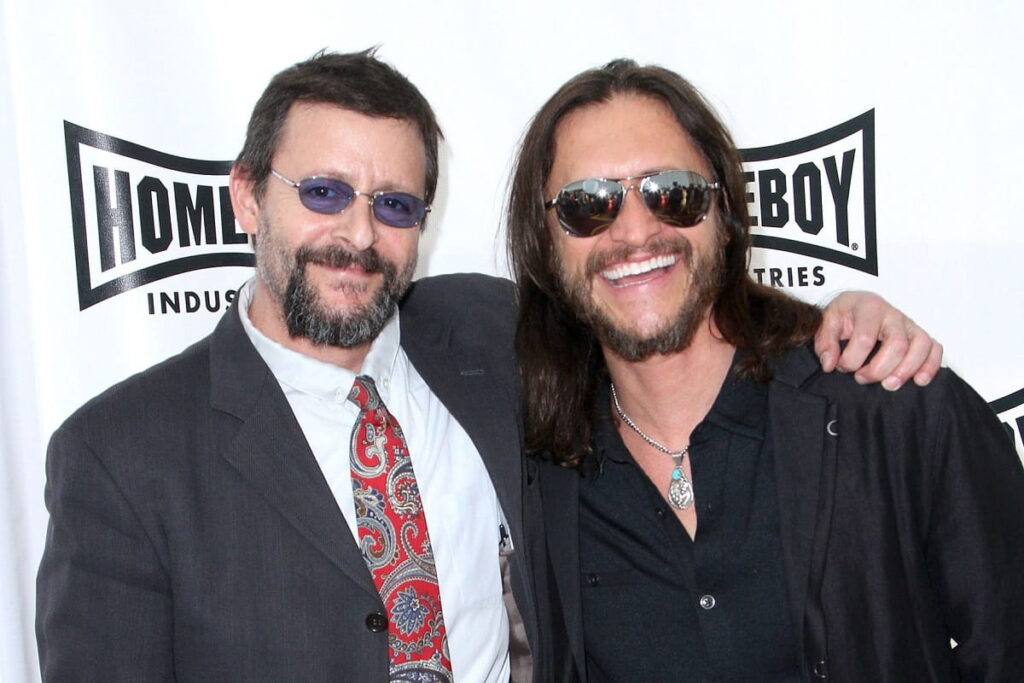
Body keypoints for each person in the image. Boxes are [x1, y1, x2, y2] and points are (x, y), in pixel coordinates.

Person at [37, 50, 939, 682]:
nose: (358, 233)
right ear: (245, 195)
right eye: (323, 193)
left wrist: (830, 320)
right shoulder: (122, 455)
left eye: (394, 203)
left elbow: (655, 302)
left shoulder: (489, 337)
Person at [507, 58, 1024, 682]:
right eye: (589, 205)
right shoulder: (537, 481)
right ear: (545, 238)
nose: (636, 230)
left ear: (724, 213)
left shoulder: (893, 406)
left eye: (673, 193)